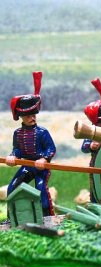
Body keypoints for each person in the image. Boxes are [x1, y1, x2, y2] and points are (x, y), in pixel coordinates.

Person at [5, 71, 56, 216]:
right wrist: (13, 156)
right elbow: (17, 149)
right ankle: (12, 216)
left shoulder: (42, 132)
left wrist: (44, 159)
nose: (32, 118)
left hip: (41, 168)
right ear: (21, 117)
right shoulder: (17, 133)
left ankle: (46, 216)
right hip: (27, 166)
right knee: (13, 187)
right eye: (28, 116)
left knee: (41, 189)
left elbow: (51, 149)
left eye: (33, 115)